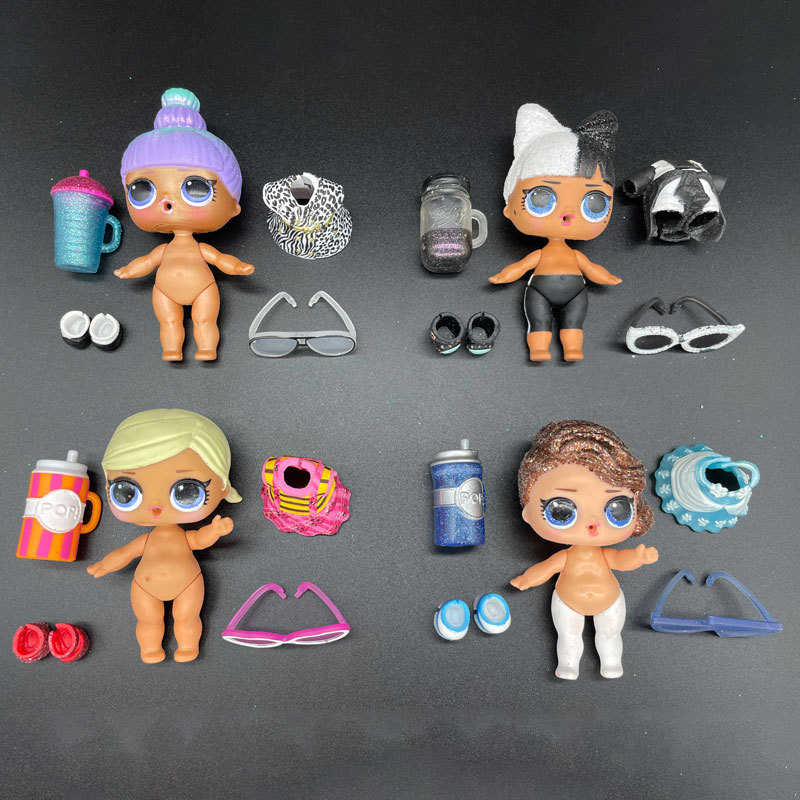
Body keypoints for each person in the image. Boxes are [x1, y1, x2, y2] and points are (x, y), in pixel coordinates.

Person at [87, 409, 241, 663]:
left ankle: (188, 646)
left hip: (188, 584)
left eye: (186, 491)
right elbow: (126, 553)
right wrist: (106, 564)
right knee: (148, 621)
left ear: (223, 487)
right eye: (126, 491)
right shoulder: (147, 541)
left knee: (187, 618)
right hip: (145, 587)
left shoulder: (179, 538)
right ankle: (150, 649)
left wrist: (214, 531)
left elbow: (199, 540)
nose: (156, 507)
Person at [510, 420, 657, 679]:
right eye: (561, 510)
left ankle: (611, 663)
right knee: (568, 635)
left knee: (609, 634)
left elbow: (620, 560)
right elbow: (545, 569)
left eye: (616, 508)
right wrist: (526, 579)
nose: (593, 523)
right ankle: (568, 665)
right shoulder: (565, 557)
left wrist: (638, 557)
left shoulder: (601, 555)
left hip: (609, 599)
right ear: (528, 512)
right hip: (568, 600)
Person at [116, 88, 254, 361]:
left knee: (205, 321)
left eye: (196, 188)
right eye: (142, 190)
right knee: (169, 322)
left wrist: (237, 267)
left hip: (203, 288)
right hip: (164, 290)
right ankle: (172, 350)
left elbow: (220, 259)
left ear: (233, 205)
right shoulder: (165, 251)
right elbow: (147, 262)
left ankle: (207, 349)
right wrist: (130, 270)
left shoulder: (198, 249)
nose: (167, 203)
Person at [489, 104, 621, 361]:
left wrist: (607, 277)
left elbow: (592, 269)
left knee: (574, 322)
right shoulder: (548, 255)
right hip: (540, 291)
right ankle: (538, 349)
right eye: (541, 199)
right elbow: (520, 267)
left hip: (575, 293)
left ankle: (572, 349)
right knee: (538, 321)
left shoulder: (570, 256)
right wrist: (503, 277)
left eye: (594, 204)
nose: (567, 215)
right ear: (509, 207)